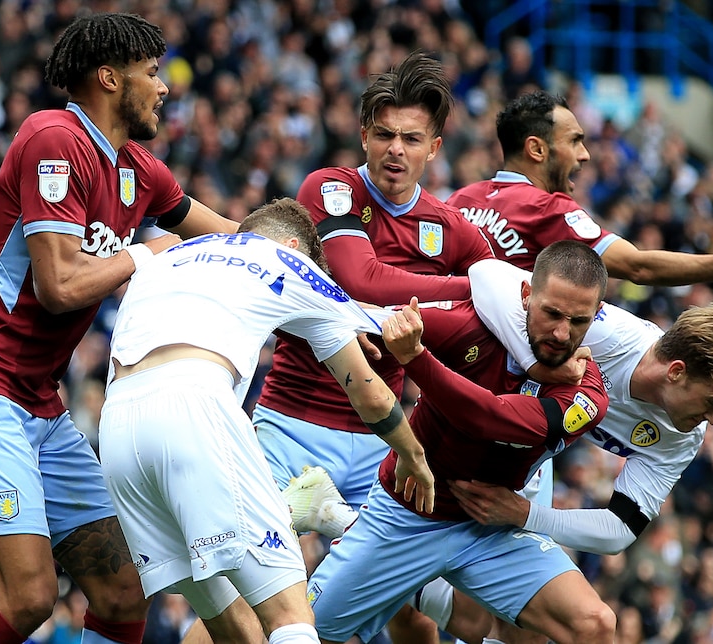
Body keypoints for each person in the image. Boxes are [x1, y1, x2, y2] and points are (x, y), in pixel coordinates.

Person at [0, 13, 238, 644]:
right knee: (30, 598)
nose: (165, 86)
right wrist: (145, 253)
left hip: (39, 402)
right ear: (109, 77)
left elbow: (229, 237)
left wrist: (309, 256)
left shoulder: (139, 169)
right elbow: (58, 287)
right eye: (152, 73)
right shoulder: (53, 138)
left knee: (125, 593)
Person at [175, 50, 494, 644]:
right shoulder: (332, 190)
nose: (396, 149)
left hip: (384, 440)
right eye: (384, 134)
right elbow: (355, 278)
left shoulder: (449, 229)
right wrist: (470, 288)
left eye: (411, 138)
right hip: (296, 425)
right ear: (364, 135)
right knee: (251, 599)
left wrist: (486, 293)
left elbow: (499, 309)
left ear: (435, 149)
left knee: (413, 617)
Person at [97, 197, 435, 644]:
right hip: (193, 406)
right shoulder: (289, 262)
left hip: (118, 431)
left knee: (234, 630)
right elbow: (368, 391)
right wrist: (412, 454)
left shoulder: (169, 254)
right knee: (291, 616)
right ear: (296, 246)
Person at [407, 257, 713, 644]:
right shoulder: (609, 336)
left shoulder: (683, 435)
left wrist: (525, 514)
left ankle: (401, 581)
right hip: (451, 432)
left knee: (531, 631)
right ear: (677, 372)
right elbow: (486, 274)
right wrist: (537, 365)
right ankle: (388, 572)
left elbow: (620, 527)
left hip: (525, 470)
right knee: (462, 618)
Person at [308, 241, 616, 644]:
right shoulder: (471, 327)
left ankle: (339, 521)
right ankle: (355, 534)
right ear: (526, 295)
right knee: (302, 632)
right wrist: (362, 331)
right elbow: (366, 314)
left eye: (578, 321)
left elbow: (490, 419)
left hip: (491, 528)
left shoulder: (588, 394)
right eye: (551, 313)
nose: (561, 333)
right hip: (407, 516)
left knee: (595, 624)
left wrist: (416, 358)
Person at [447, 89, 713, 283]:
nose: (585, 155)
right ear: (537, 149)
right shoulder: (548, 210)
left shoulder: (461, 200)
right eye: (574, 141)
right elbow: (640, 267)